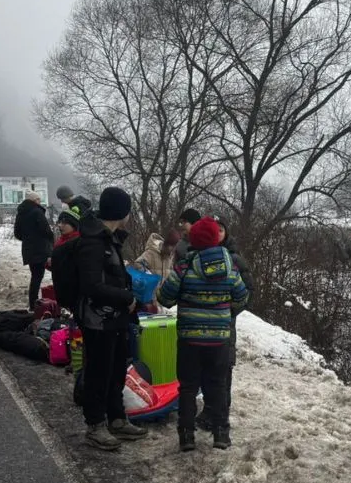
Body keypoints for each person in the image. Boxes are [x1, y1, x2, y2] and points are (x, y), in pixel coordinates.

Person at [157, 217, 249, 451]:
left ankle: (187, 436)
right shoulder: (230, 267)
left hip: (190, 339)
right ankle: (221, 434)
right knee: (217, 385)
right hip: (219, 340)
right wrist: (223, 310)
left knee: (188, 387)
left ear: (194, 240)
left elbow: (165, 298)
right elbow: (242, 296)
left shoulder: (184, 266)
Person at [72, 187, 150, 451]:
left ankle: (117, 418)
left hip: (115, 318)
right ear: (121, 212)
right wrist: (126, 297)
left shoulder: (110, 239)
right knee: (98, 372)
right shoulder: (93, 242)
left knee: (117, 369)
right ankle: (95, 425)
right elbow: (91, 285)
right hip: (97, 320)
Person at [195, 216, 253, 433]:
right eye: (214, 229)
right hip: (201, 323)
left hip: (225, 324)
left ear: (226, 233)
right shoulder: (197, 257)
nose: (217, 233)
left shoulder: (235, 259)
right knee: (204, 368)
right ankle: (208, 409)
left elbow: (248, 292)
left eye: (221, 229)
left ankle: (221, 413)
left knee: (223, 369)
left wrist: (227, 311)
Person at [14, 191, 54, 311]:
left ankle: (33, 304)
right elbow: (46, 230)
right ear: (34, 200)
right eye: (38, 199)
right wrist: (51, 240)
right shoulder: (37, 212)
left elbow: (17, 233)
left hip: (28, 250)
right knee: (40, 276)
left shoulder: (21, 213)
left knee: (35, 276)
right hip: (41, 249)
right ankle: (36, 305)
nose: (40, 202)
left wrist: (28, 239)